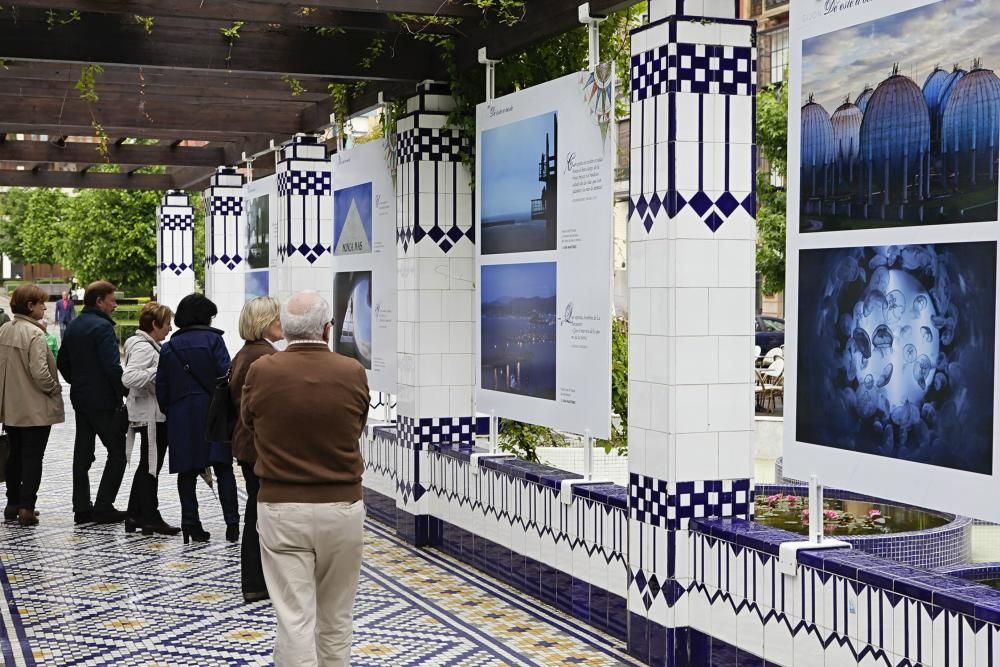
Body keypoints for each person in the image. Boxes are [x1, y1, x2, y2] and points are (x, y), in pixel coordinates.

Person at [242, 291, 369, 666]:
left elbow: (249, 424)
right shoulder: (351, 371)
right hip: (342, 508)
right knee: (336, 616)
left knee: (294, 618)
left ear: (286, 330)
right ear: (327, 329)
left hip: (281, 509)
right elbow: (357, 425)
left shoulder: (262, 370)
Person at [156, 293, 238, 544]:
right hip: (214, 415)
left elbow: (162, 388)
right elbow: (227, 377)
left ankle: (190, 524)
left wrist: (174, 411)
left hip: (182, 417)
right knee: (223, 470)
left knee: (187, 472)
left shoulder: (169, 347)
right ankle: (232, 525)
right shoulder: (214, 342)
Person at [57, 281, 128, 524]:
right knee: (118, 452)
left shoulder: (75, 325)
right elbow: (112, 366)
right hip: (103, 401)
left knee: (83, 453)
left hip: (81, 398)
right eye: (112, 299)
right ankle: (103, 506)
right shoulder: (103, 327)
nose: (115, 304)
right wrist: (125, 390)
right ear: (99, 301)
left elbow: (62, 362)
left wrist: (78, 382)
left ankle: (81, 507)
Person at [229, 296, 282, 603]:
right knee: (260, 514)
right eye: (277, 318)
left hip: (246, 445)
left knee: (256, 509)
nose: (282, 324)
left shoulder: (246, 353)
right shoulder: (264, 358)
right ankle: (256, 580)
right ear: (264, 322)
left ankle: (255, 580)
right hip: (258, 447)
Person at [0, 284, 64, 526]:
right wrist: (54, 388)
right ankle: (27, 507)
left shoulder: (5, 329)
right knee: (33, 458)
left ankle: (12, 502)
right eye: (40, 304)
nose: (44, 308)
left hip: (11, 407)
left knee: (14, 456)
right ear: (30, 306)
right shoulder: (34, 334)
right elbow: (40, 372)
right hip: (34, 408)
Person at [122, 303, 180, 537]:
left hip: (149, 414)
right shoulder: (145, 348)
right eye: (167, 324)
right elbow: (129, 377)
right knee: (150, 467)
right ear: (155, 325)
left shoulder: (146, 345)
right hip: (151, 416)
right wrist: (159, 371)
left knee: (147, 466)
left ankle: (135, 514)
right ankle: (149, 517)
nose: (170, 329)